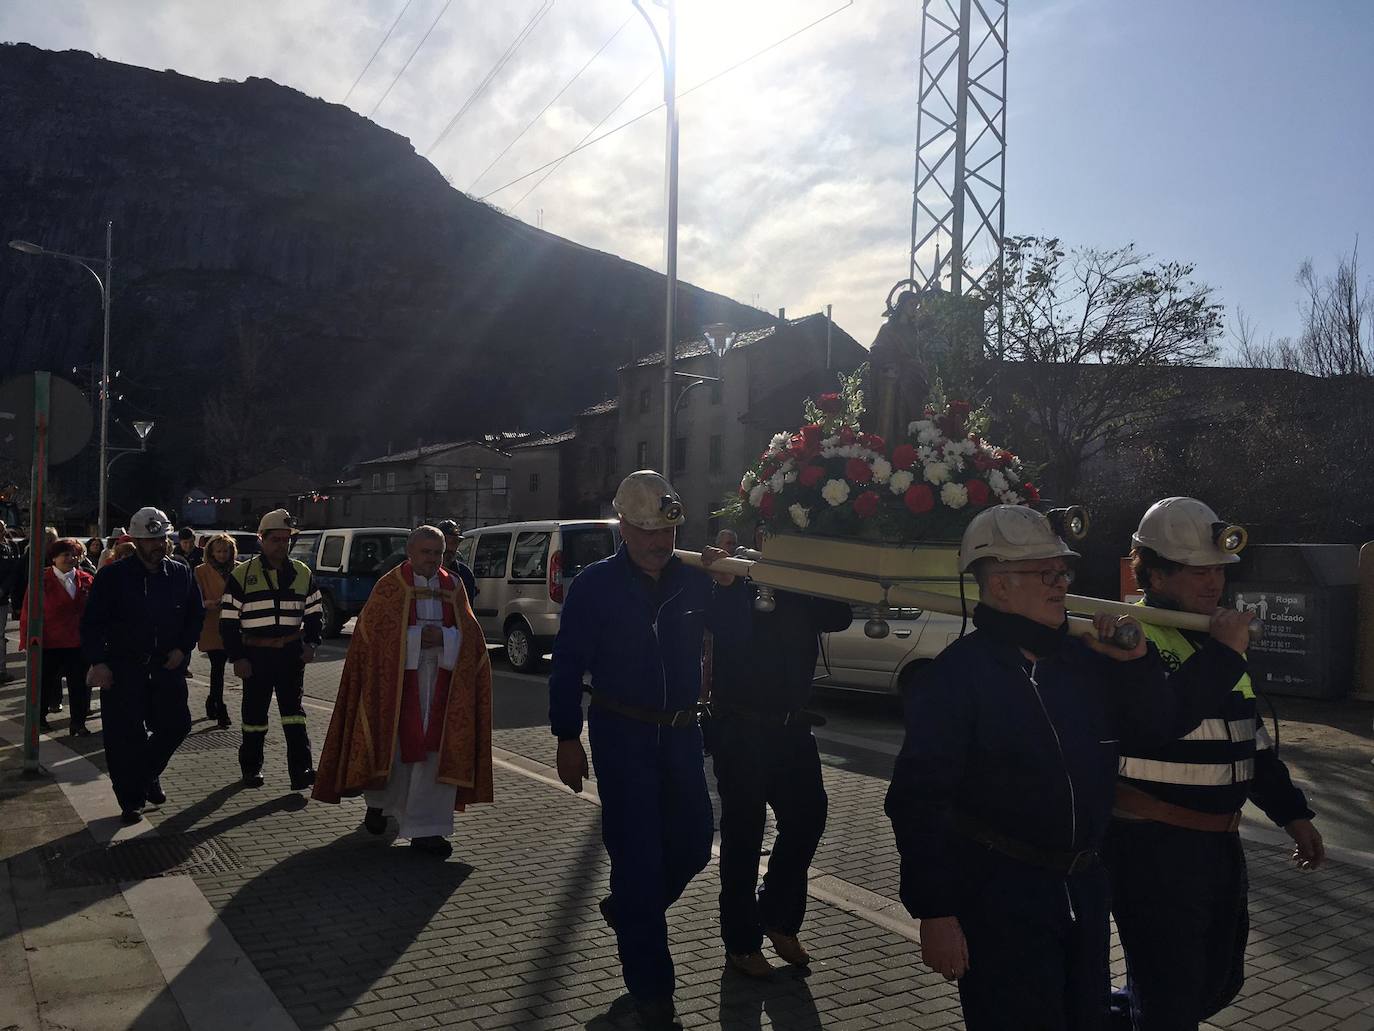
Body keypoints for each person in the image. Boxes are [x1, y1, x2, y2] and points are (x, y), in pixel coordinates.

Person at [884, 504, 1252, 1031]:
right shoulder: (955, 678)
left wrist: (1143, 663)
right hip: (999, 894)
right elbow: (917, 803)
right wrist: (935, 913)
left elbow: (1156, 725)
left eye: (1063, 572)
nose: (1061, 584)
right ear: (1001, 586)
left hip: (1083, 885)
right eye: (1045, 573)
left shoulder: (1084, 663)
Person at [1106, 497, 1325, 1030]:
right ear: (1154, 573)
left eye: (1219, 571)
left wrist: (1293, 814)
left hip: (1215, 846)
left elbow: (1246, 740)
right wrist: (1224, 655)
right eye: (1198, 571)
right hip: (1151, 848)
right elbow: (1159, 720)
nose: (1214, 584)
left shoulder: (1213, 638)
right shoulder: (1128, 636)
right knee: (1170, 995)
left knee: (1218, 981)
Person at [549, 470, 737, 1028]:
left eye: (669, 531)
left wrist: (729, 586)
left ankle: (630, 911)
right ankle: (654, 992)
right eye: (649, 531)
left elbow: (738, 634)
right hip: (621, 736)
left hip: (681, 735)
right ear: (624, 528)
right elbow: (565, 667)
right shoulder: (594, 586)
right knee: (637, 859)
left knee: (696, 845)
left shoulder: (695, 579)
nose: (660, 543)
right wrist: (566, 738)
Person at [707, 527, 852, 977]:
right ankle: (741, 941)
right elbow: (721, 627)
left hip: (792, 730)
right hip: (741, 727)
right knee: (744, 836)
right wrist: (729, 581)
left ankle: (776, 915)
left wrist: (820, 570)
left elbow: (839, 615)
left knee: (808, 818)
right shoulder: (740, 577)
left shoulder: (806, 585)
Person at [313, 526, 493, 857]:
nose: (433, 559)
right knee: (393, 749)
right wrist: (412, 639)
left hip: (441, 681)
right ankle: (379, 804)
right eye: (427, 552)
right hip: (396, 684)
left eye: (439, 552)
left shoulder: (453, 586)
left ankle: (428, 830)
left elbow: (472, 637)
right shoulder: (391, 587)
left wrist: (445, 640)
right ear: (410, 552)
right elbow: (371, 636)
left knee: (433, 753)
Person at [81, 507, 203, 824]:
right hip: (124, 670)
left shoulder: (180, 572)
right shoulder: (113, 576)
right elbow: (92, 623)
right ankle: (131, 799)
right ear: (135, 540)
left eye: (161, 537)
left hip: (166, 667)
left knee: (177, 725)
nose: (157, 544)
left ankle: (146, 774)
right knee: (125, 738)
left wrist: (183, 649)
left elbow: (195, 615)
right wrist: (99, 662)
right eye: (150, 539)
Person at [219, 509, 323, 791]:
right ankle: (251, 769)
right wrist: (238, 658)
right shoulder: (242, 574)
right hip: (256, 657)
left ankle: (301, 770)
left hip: (291, 656)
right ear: (261, 540)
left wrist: (312, 643)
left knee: (294, 715)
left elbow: (315, 613)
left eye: (286, 539)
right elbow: (228, 622)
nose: (281, 544)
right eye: (275, 539)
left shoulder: (302, 573)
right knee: (254, 717)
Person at [20, 539, 95, 735]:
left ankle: (78, 723)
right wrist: (27, 640)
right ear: (54, 558)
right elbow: (28, 612)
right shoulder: (40, 581)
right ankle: (41, 718)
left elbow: (95, 613)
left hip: (78, 642)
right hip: (50, 642)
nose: (71, 559)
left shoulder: (87, 579)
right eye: (66, 555)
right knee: (45, 683)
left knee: (79, 685)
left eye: (74, 555)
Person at [195, 533, 237, 729]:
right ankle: (220, 707)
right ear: (210, 552)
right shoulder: (200, 571)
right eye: (218, 551)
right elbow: (194, 598)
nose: (222, 555)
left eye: (225, 551)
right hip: (212, 624)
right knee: (217, 667)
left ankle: (212, 700)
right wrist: (205, 603)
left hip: (234, 624)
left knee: (223, 667)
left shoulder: (237, 570)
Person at [435, 518, 478, 601]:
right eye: (446, 542)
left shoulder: (464, 574)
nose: (450, 548)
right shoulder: (426, 571)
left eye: (454, 542)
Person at [0, 523, 19, 684]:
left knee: (0, 636)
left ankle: (1, 670)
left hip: (2, 599)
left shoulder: (11, 546)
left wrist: (4, 589)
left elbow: (14, 571)